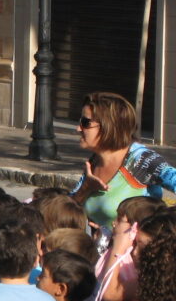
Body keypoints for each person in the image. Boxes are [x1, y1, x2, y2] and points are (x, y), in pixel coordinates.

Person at [71, 91, 176, 247]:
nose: (78, 128)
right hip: (101, 258)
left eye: (85, 122)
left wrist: (165, 230)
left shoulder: (141, 159)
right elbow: (66, 210)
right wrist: (85, 188)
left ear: (109, 126)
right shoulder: (94, 162)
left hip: (137, 259)